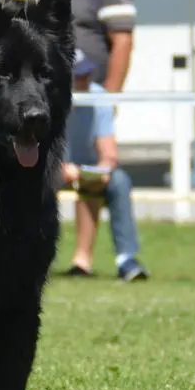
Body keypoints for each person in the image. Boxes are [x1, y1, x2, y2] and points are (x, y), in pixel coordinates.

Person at [47, 0, 148, 281]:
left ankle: (86, 257)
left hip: (92, 98)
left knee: (93, 171)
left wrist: (110, 99)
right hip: (55, 100)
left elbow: (122, 43)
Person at [60, 50, 148, 281]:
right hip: (50, 168)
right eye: (78, 76)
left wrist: (103, 169)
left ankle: (126, 260)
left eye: (87, 74)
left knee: (119, 180)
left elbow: (108, 152)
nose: (85, 80)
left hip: (85, 167)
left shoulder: (99, 97)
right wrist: (59, 167)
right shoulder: (46, 97)